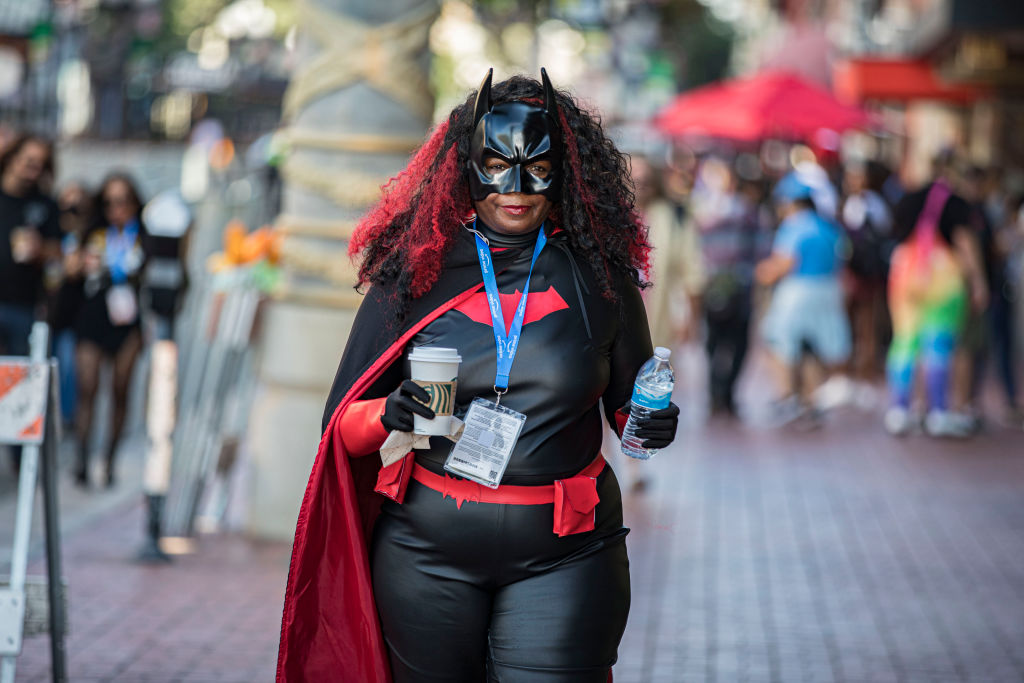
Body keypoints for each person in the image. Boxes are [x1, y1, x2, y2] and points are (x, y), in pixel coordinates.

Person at [277, 69, 680, 682]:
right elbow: (343, 428)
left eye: (536, 168)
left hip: (565, 552)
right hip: (426, 553)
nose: (515, 188)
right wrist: (390, 412)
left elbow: (629, 415)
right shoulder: (417, 272)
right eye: (496, 164)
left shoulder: (599, 279)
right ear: (464, 168)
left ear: (565, 172)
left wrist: (651, 422)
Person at [884, 165, 988, 438]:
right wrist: (978, 281)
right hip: (943, 280)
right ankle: (937, 411)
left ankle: (899, 410)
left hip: (905, 275)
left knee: (904, 343)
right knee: (938, 346)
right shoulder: (957, 204)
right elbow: (964, 242)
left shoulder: (908, 199)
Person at [70, 174, 148, 486]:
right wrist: (80, 263)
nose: (117, 209)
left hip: (128, 322)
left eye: (123, 202)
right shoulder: (93, 233)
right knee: (87, 388)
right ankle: (81, 459)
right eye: (109, 202)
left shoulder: (145, 236)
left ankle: (110, 461)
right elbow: (69, 270)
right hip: (93, 316)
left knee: (120, 391)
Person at [756, 170, 851, 424]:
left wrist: (762, 273)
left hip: (797, 291)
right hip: (828, 289)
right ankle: (812, 400)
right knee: (812, 348)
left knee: (780, 343)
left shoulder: (794, 226)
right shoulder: (829, 228)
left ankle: (787, 396)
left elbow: (784, 263)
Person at [692, 159, 770, 416]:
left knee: (724, 342)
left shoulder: (710, 213)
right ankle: (721, 393)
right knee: (724, 342)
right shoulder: (745, 212)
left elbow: (761, 249)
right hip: (725, 286)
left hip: (731, 286)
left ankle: (721, 393)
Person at [0, 134, 61, 356]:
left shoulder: (45, 204)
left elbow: (58, 252)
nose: (33, 171)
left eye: (40, 166)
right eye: (29, 162)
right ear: (12, 158)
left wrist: (39, 249)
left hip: (23, 304)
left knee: (18, 372)